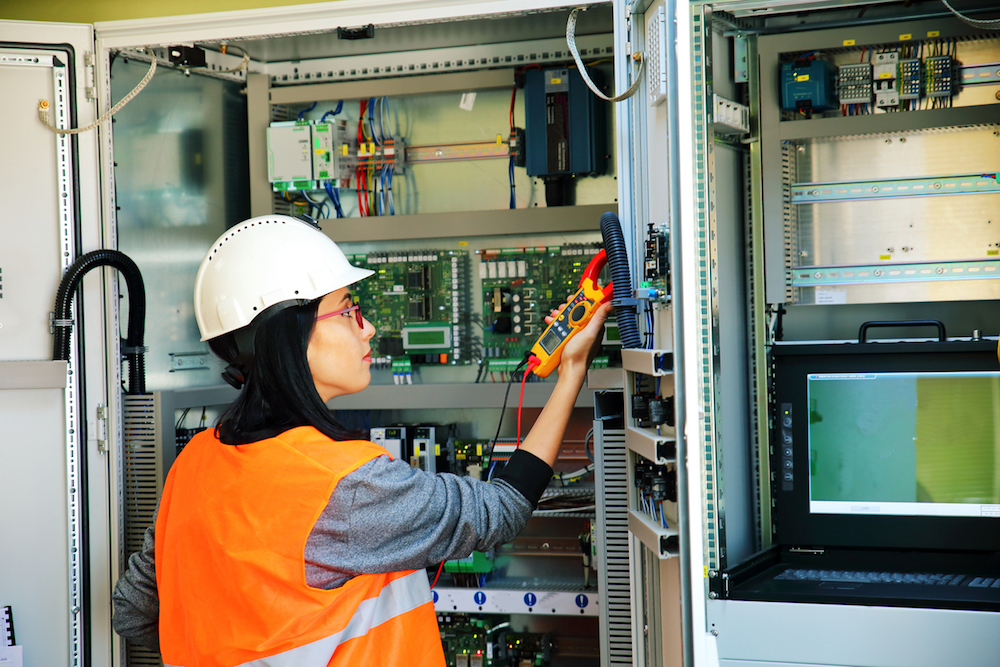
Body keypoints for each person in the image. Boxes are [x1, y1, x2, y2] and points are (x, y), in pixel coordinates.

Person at [111, 214, 611, 667]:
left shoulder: (194, 463)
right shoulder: (344, 484)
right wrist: (570, 373)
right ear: (291, 335)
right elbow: (499, 511)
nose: (368, 328)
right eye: (349, 310)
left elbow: (134, 613)